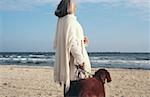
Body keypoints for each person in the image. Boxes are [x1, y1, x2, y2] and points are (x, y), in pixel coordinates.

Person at [53, 0, 91, 96]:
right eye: (73, 2)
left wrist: (82, 41)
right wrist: (80, 60)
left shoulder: (61, 21)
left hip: (69, 71)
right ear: (68, 6)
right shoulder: (70, 20)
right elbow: (72, 44)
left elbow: (66, 42)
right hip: (75, 70)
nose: (75, 4)